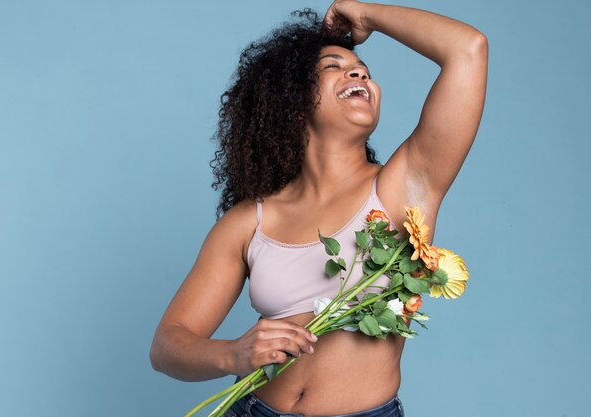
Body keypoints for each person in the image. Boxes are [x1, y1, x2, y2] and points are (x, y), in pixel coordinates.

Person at [150, 0, 487, 415]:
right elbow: (167, 344)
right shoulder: (248, 222)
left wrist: (366, 15)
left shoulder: (403, 184)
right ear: (290, 99)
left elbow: (467, 48)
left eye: (363, 70)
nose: (359, 72)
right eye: (333, 66)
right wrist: (232, 355)